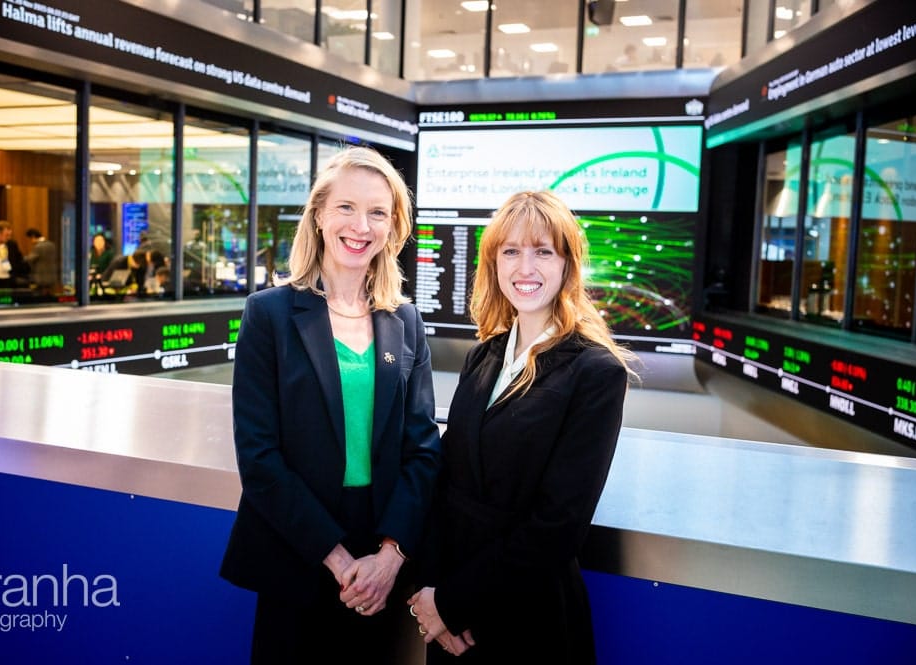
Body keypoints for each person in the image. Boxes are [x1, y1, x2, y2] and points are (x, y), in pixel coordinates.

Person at [219, 145, 441, 665]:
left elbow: (423, 450)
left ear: (393, 228)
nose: (360, 225)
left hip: (383, 554)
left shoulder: (404, 321)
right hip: (298, 548)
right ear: (319, 214)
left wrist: (389, 558)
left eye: (377, 212)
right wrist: (339, 561)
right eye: (346, 207)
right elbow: (258, 456)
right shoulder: (268, 315)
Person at [408, 190, 638, 664]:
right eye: (510, 251)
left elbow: (558, 525)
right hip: (450, 614)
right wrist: (429, 593)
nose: (524, 268)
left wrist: (452, 604)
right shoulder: (484, 355)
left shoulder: (596, 372)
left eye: (542, 251)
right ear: (494, 264)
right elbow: (445, 481)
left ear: (568, 265)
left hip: (527, 620)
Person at [24, 227, 58, 296]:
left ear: (33, 236)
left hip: (41, 276)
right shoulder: (51, 245)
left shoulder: (38, 246)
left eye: (30, 239)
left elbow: (30, 259)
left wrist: (23, 258)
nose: (31, 241)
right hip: (51, 274)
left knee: (41, 295)